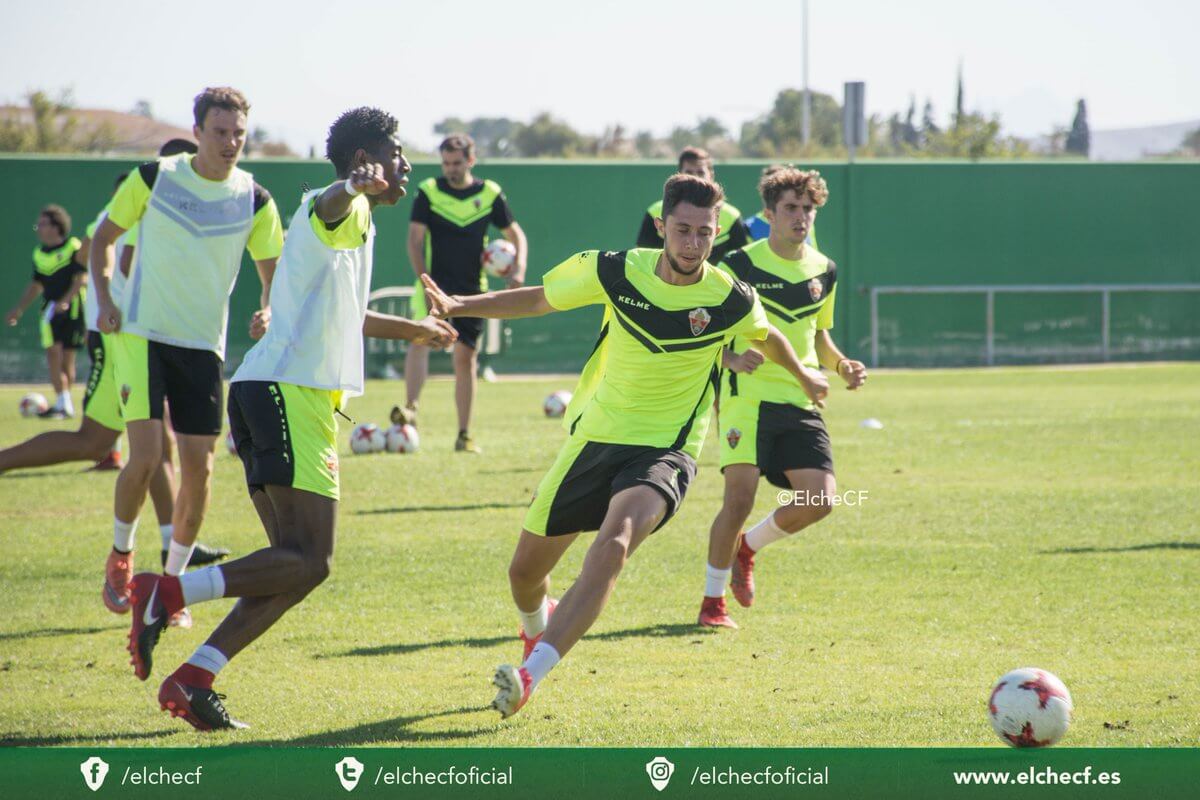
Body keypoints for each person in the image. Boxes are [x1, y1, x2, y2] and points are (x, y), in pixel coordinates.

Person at [420, 173, 829, 719]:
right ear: (661, 226)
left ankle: (531, 674)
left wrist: (804, 375)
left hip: (667, 449)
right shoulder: (613, 269)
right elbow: (540, 299)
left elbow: (766, 331)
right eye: (681, 230)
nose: (692, 244)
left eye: (704, 234)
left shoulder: (729, 296)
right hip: (594, 438)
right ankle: (537, 631)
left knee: (614, 543)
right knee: (523, 574)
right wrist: (459, 303)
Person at [125, 106, 456, 730]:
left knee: (292, 568)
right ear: (365, 161)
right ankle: (166, 592)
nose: (407, 163)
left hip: (270, 392)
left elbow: (343, 313)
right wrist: (352, 186)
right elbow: (330, 203)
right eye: (394, 152)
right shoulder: (341, 205)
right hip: (287, 396)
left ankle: (194, 677)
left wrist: (415, 329)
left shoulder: (355, 221)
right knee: (312, 561)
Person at [90, 87, 281, 624]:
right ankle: (122, 556)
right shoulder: (156, 178)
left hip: (203, 346)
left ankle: (169, 588)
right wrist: (106, 300)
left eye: (239, 134)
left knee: (201, 468)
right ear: (197, 131)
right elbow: (103, 240)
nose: (230, 143)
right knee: (147, 454)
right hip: (141, 334)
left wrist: (268, 311)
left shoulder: (256, 199)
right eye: (220, 132)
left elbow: (275, 281)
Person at [698, 168, 866, 629]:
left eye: (808, 209)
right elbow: (702, 326)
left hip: (801, 398)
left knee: (822, 500)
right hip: (747, 399)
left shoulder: (823, 269)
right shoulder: (738, 265)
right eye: (791, 208)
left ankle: (747, 548)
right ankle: (713, 603)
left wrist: (841, 365)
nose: (801, 217)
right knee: (738, 499)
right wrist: (730, 358)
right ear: (769, 214)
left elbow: (821, 338)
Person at [399, 133, 528, 453]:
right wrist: (424, 281)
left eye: (456, 163)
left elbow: (516, 235)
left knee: (465, 359)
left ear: (471, 161)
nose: (450, 169)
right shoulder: (429, 191)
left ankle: (464, 434)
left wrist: (519, 267)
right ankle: (410, 412)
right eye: (445, 163)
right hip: (433, 286)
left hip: (472, 290)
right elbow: (414, 240)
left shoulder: (489, 193)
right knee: (419, 340)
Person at [6, 205, 87, 418]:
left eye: (42, 224)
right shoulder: (38, 254)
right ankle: (63, 403)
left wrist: (66, 301)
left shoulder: (73, 247)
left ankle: (65, 403)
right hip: (50, 312)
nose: (38, 228)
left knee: (68, 359)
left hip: (75, 310)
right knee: (53, 354)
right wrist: (19, 309)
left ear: (56, 226)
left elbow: (82, 278)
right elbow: (36, 285)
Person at [635, 146, 750, 264]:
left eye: (700, 172)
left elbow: (740, 264)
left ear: (711, 174)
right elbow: (642, 258)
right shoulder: (654, 211)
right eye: (682, 229)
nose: (695, 177)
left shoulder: (732, 216)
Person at [743, 164, 819, 247]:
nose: (801, 217)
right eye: (772, 188)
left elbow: (813, 251)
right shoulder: (749, 226)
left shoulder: (804, 223)